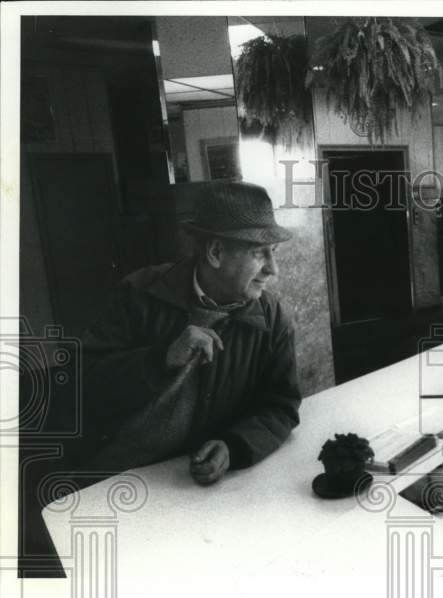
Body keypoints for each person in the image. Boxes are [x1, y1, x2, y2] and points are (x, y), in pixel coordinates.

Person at [72, 181, 302, 485]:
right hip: (115, 469)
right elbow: (83, 383)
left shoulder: (272, 319)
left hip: (187, 477)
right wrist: (162, 358)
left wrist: (235, 445)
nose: (274, 269)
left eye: (273, 252)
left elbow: (281, 405)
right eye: (260, 253)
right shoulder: (139, 294)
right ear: (216, 251)